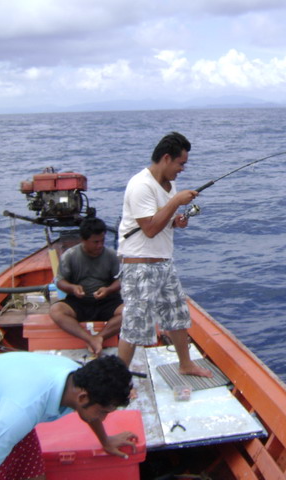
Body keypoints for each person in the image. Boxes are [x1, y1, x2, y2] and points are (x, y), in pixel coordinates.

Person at [0, 352, 137, 480]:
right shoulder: (21, 412)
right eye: (103, 412)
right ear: (83, 397)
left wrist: (105, 441)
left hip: (7, 416)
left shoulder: (76, 379)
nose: (102, 419)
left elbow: (90, 411)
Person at [117, 132, 212, 378]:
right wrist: (176, 203)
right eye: (181, 164)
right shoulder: (140, 185)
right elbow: (148, 229)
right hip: (140, 266)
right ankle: (116, 381)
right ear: (167, 158)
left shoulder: (170, 186)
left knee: (177, 314)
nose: (182, 169)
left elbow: (160, 222)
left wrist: (175, 222)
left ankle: (186, 364)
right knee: (135, 327)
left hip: (164, 263)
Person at [50, 217, 122, 356]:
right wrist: (73, 288)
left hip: (106, 301)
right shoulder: (70, 256)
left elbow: (120, 281)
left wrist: (108, 290)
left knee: (129, 312)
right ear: (83, 240)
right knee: (56, 311)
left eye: (102, 241)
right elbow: (60, 281)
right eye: (95, 242)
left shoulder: (111, 255)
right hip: (79, 302)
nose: (100, 245)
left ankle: (100, 337)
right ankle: (90, 339)